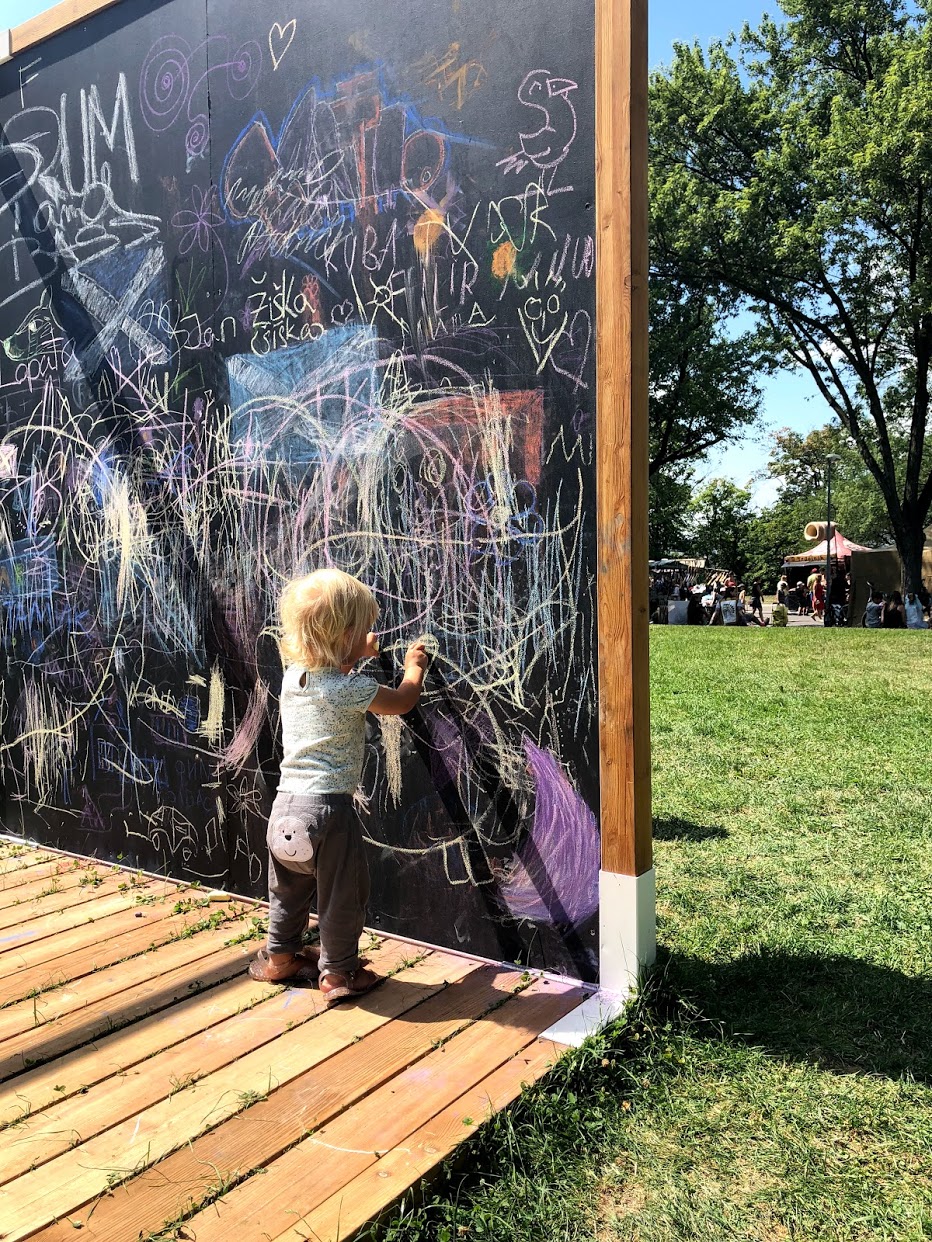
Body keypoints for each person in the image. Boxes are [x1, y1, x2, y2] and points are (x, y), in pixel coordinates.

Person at [249, 567, 428, 1005]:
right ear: (345, 636)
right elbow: (401, 702)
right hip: (329, 811)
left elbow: (332, 672)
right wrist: (414, 669)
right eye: (363, 630)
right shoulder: (353, 689)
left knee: (287, 891)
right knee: (341, 895)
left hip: (285, 809)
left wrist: (355, 651)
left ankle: (279, 956)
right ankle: (338, 972)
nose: (370, 635)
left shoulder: (294, 678)